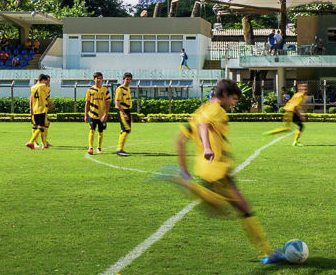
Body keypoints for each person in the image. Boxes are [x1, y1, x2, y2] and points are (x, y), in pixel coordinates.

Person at [153, 78, 284, 263]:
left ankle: (186, 183)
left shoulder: (201, 110)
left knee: (221, 208)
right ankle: (267, 253)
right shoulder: (216, 110)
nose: (234, 104)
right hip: (217, 168)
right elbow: (204, 125)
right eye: (233, 99)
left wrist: (184, 170)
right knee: (243, 208)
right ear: (224, 95)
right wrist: (207, 147)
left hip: (205, 169)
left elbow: (180, 140)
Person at [84, 72, 110, 154]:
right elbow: (87, 103)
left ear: (102, 79)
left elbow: (108, 102)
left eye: (100, 78)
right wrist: (85, 115)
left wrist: (106, 114)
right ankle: (90, 147)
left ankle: (99, 148)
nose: (98, 80)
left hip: (102, 115)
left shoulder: (105, 90)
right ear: (94, 79)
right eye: (97, 78)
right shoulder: (90, 90)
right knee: (92, 130)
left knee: (100, 131)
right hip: (92, 114)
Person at [26, 74, 54, 149]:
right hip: (42, 109)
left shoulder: (33, 87)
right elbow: (46, 98)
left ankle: (43, 144)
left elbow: (31, 98)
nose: (47, 82)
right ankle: (31, 142)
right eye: (46, 81)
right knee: (42, 127)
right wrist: (50, 104)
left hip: (35, 109)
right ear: (42, 80)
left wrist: (31, 108)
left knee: (35, 125)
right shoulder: (44, 87)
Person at [113, 73, 134, 156]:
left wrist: (130, 114)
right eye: (126, 79)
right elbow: (117, 101)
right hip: (122, 111)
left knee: (124, 129)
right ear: (123, 79)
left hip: (127, 111)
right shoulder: (120, 89)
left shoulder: (128, 89)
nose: (128, 81)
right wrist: (123, 113)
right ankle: (119, 149)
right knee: (126, 129)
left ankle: (121, 148)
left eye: (129, 79)